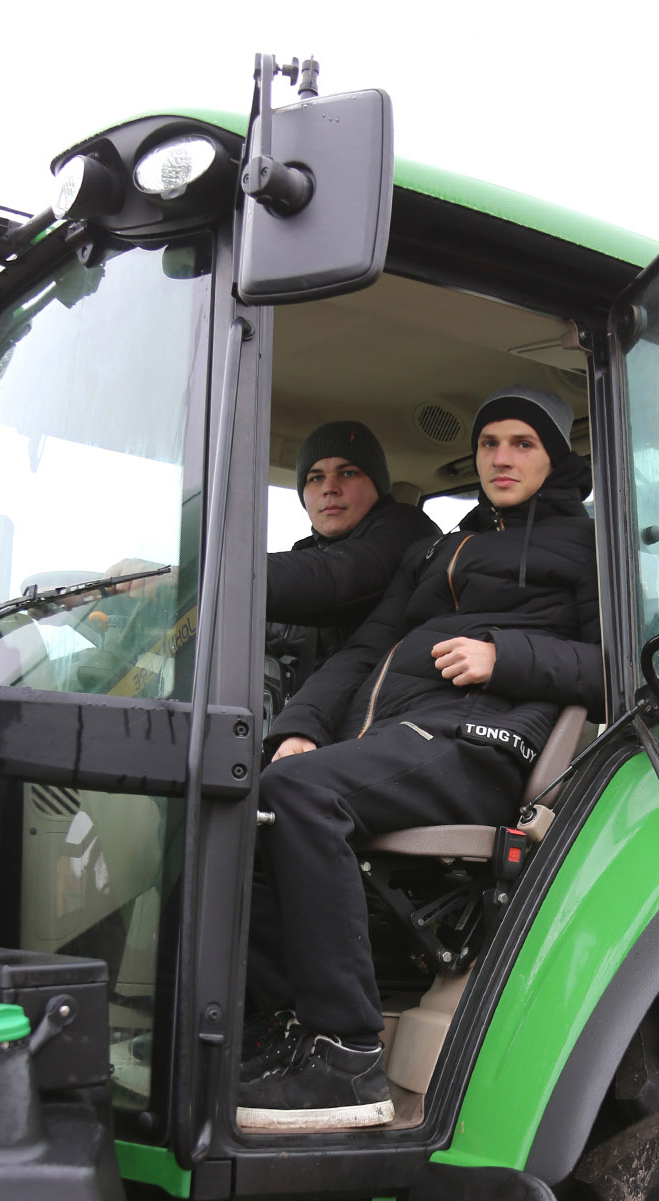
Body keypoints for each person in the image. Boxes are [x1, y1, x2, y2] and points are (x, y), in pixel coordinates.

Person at [240, 384, 602, 1132]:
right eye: (489, 444)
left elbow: (621, 669)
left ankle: (345, 1057)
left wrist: (506, 657)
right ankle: (281, 1032)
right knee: (255, 797)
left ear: (555, 458)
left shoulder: (590, 546)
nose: (501, 458)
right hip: (398, 740)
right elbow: (364, 651)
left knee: (303, 796)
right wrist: (301, 728)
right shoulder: (434, 551)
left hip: (479, 745)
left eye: (523, 444)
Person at [266, 421, 435, 694]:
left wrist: (230, 572)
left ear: (376, 485)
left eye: (347, 473)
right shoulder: (307, 553)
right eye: (315, 477)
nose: (329, 488)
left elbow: (338, 579)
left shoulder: (409, 532)